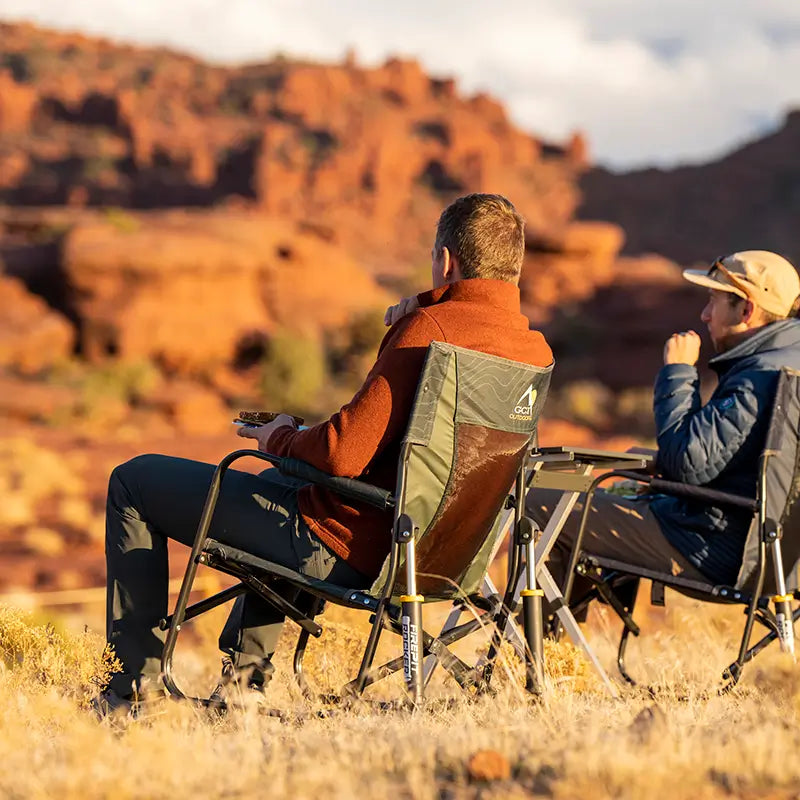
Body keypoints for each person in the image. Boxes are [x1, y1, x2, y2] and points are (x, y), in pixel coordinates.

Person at [98, 193, 553, 711]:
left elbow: (341, 454)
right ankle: (243, 685)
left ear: (445, 260)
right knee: (280, 483)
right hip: (438, 556)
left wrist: (280, 437)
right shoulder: (533, 350)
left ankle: (133, 690)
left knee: (133, 481)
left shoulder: (428, 333)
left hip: (346, 548)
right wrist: (427, 303)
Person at [527, 250, 800, 619]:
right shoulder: (787, 367)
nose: (704, 315)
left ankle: (542, 655)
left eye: (713, 302)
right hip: (774, 559)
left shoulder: (758, 379)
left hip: (711, 546)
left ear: (746, 310)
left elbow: (686, 462)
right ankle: (557, 645)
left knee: (537, 503)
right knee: (590, 495)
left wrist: (678, 371)